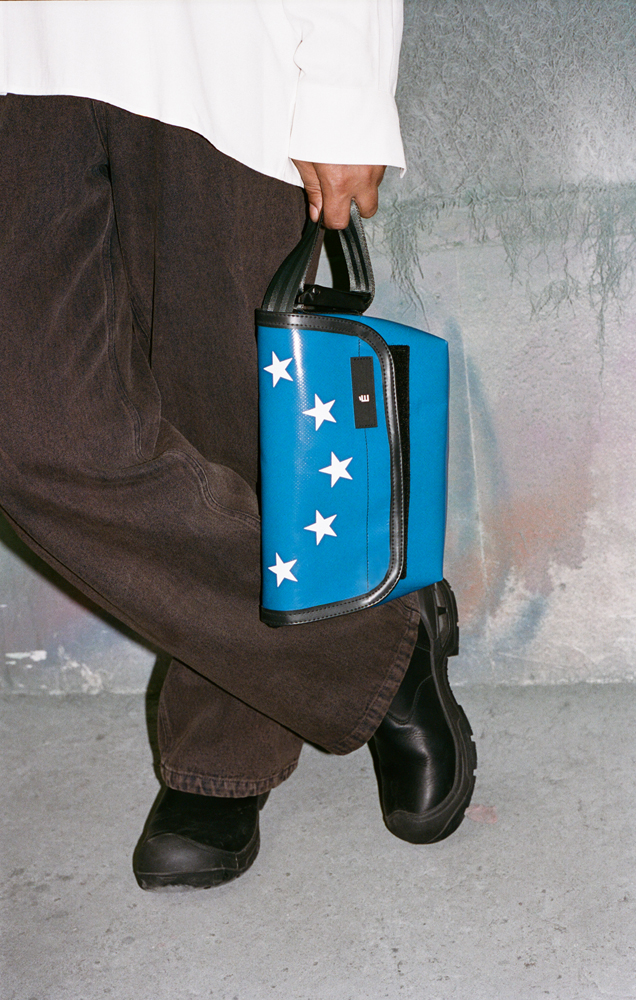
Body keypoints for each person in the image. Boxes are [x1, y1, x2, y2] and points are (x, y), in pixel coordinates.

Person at [0, 0, 476, 891]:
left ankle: (225, 739)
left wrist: (346, 86)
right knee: (33, 430)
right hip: (19, 52)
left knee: (227, 409)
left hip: (212, 44)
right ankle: (377, 645)